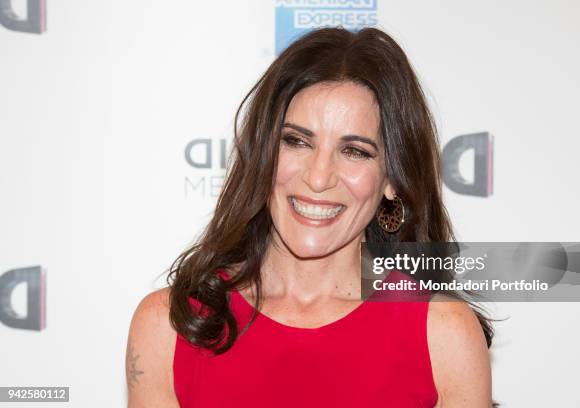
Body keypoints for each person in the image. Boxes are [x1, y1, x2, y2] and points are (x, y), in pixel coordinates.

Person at [126, 26, 494, 407]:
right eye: (297, 141)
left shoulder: (442, 334)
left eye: (355, 151)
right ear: (264, 153)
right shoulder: (169, 327)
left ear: (392, 179)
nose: (318, 178)